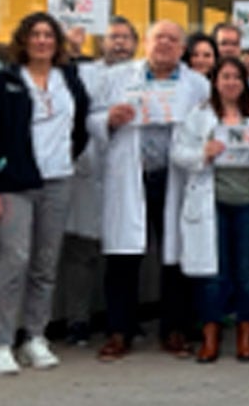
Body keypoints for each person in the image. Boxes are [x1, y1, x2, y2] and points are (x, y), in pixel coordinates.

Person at [0, 12, 92, 374]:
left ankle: (35, 338)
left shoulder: (68, 79)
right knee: (15, 260)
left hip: (59, 180)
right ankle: (1, 344)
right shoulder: (5, 81)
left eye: (48, 35)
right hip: (15, 185)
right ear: (23, 41)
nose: (42, 41)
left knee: (45, 263)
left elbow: (81, 124)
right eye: (35, 35)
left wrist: (67, 156)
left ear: (57, 43)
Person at [89, 19, 211, 361]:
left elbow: (206, 125)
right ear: (146, 42)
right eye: (159, 38)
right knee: (123, 257)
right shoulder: (116, 78)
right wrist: (109, 119)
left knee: (175, 255)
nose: (165, 45)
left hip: (173, 176)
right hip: (131, 174)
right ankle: (119, 331)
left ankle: (174, 329)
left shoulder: (197, 84)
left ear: (182, 49)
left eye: (173, 40)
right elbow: (91, 119)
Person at [169, 57, 249, 364]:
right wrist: (203, 153)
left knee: (246, 275)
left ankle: (245, 334)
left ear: (245, 83)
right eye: (225, 77)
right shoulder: (199, 115)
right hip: (212, 201)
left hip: (248, 202)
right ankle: (211, 335)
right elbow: (178, 153)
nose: (231, 82)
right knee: (213, 275)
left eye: (236, 77)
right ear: (215, 82)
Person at [61, 15, 139, 345]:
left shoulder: (143, 75)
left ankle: (122, 321)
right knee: (82, 252)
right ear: (101, 43)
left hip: (127, 171)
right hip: (88, 166)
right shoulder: (83, 72)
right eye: (112, 37)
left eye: (125, 37)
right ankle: (77, 320)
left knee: (124, 254)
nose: (119, 42)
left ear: (135, 44)